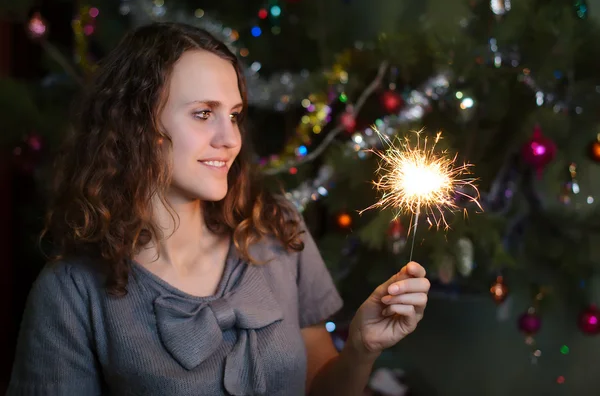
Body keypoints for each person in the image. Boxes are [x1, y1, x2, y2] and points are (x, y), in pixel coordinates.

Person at [7, 22, 430, 396]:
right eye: (204, 113)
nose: (229, 139)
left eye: (235, 115)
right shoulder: (72, 291)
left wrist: (360, 350)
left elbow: (319, 387)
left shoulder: (276, 228)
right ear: (136, 125)